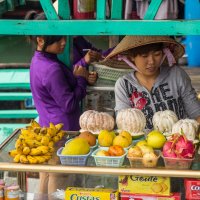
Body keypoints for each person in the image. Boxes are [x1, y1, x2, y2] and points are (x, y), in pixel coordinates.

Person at [25, 11, 98, 198]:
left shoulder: (38, 61)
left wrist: (82, 67)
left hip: (46, 124)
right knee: (59, 176)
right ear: (41, 41)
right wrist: (81, 80)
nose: (64, 43)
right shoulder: (52, 69)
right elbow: (70, 104)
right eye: (58, 40)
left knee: (46, 173)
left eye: (64, 38)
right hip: (62, 129)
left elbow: (63, 81)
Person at [101, 35, 200, 129]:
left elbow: (195, 112)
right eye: (144, 56)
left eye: (157, 54)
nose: (152, 61)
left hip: (177, 142)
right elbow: (124, 123)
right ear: (132, 56)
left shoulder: (176, 75)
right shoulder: (124, 85)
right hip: (140, 145)